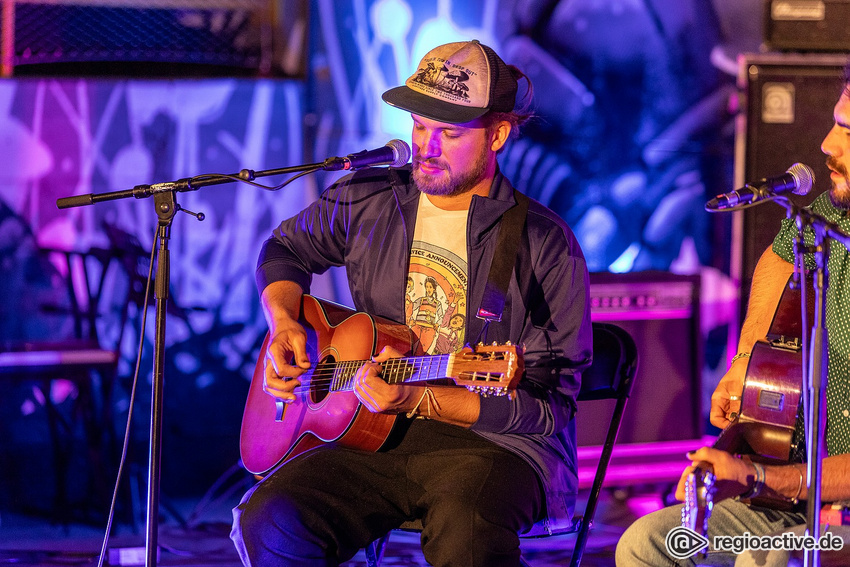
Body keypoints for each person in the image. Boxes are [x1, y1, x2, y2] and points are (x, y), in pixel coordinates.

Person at [230, 40, 592, 567]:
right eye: (421, 126)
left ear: (498, 134)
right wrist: (286, 322)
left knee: (465, 532)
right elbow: (283, 250)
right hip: (374, 431)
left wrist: (418, 400)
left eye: (450, 132)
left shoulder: (544, 243)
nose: (427, 146)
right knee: (272, 517)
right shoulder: (369, 198)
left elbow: (549, 407)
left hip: (497, 444)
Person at [615, 63, 850, 567]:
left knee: (764, 561)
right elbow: (780, 256)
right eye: (835, 122)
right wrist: (745, 361)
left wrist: (757, 478)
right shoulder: (832, 216)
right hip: (791, 497)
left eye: (848, 131)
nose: (828, 144)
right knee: (646, 544)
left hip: (826, 507)